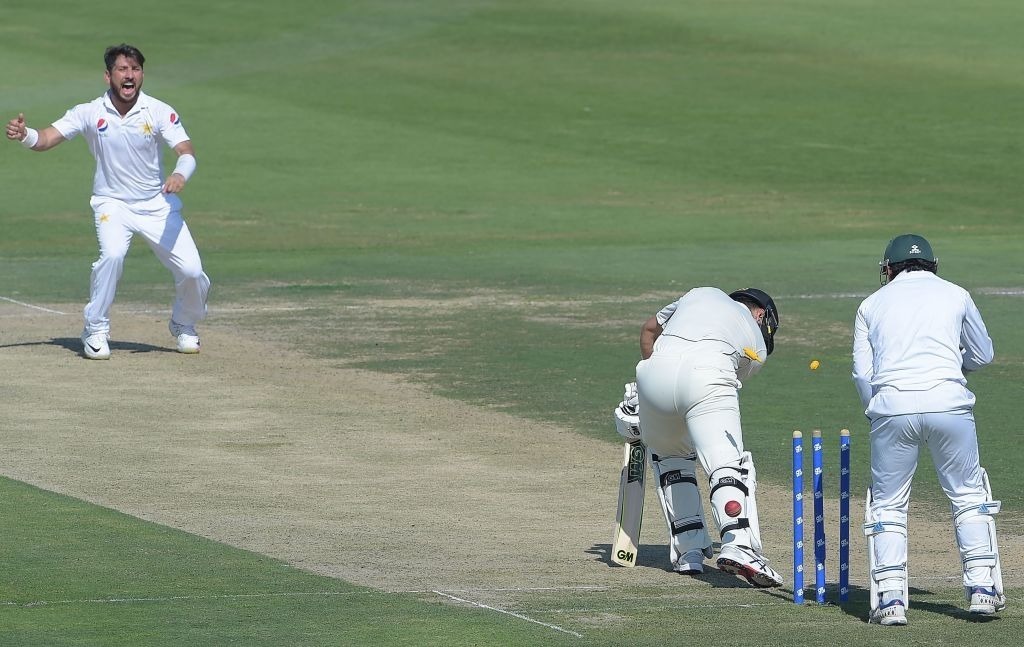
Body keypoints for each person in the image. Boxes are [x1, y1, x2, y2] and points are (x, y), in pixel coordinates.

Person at [5, 43, 210, 359]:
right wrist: (25, 135)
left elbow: (185, 150)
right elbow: (46, 139)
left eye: (136, 69)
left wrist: (181, 174)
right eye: (122, 70)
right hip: (112, 204)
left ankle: (184, 324)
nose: (130, 76)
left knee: (194, 273)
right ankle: (95, 329)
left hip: (157, 204)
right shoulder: (89, 112)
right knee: (112, 256)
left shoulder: (158, 110)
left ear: (142, 74)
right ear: (108, 76)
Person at [853, 233, 1003, 625]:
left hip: (892, 406)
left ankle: (890, 601)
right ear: (932, 265)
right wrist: (950, 372)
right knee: (969, 495)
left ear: (888, 269)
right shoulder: (956, 293)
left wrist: (877, 411)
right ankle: (982, 590)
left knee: (888, 504)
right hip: (950, 403)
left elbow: (862, 373)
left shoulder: (871, 303)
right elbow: (983, 354)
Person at [634, 287, 783, 587]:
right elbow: (710, 387)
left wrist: (649, 396)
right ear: (760, 314)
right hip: (706, 376)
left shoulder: (700, 294)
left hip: (651, 376)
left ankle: (688, 551)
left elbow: (649, 330)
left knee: (671, 458)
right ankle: (738, 544)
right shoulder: (757, 345)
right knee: (726, 463)